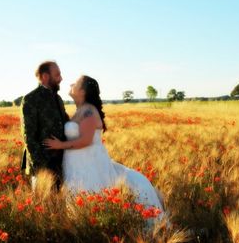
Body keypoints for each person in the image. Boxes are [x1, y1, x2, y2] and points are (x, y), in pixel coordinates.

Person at [43, 75, 165, 219]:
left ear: (82, 91)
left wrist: (60, 145)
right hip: (76, 163)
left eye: (75, 83)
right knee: (77, 198)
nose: (70, 83)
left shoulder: (89, 111)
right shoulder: (81, 110)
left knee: (91, 194)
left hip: (88, 165)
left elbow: (86, 140)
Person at [20, 61, 70, 189]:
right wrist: (42, 167)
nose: (61, 79)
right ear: (45, 76)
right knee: (44, 204)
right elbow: (29, 137)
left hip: (61, 162)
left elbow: (65, 124)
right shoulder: (31, 99)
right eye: (57, 75)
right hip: (43, 165)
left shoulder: (58, 99)